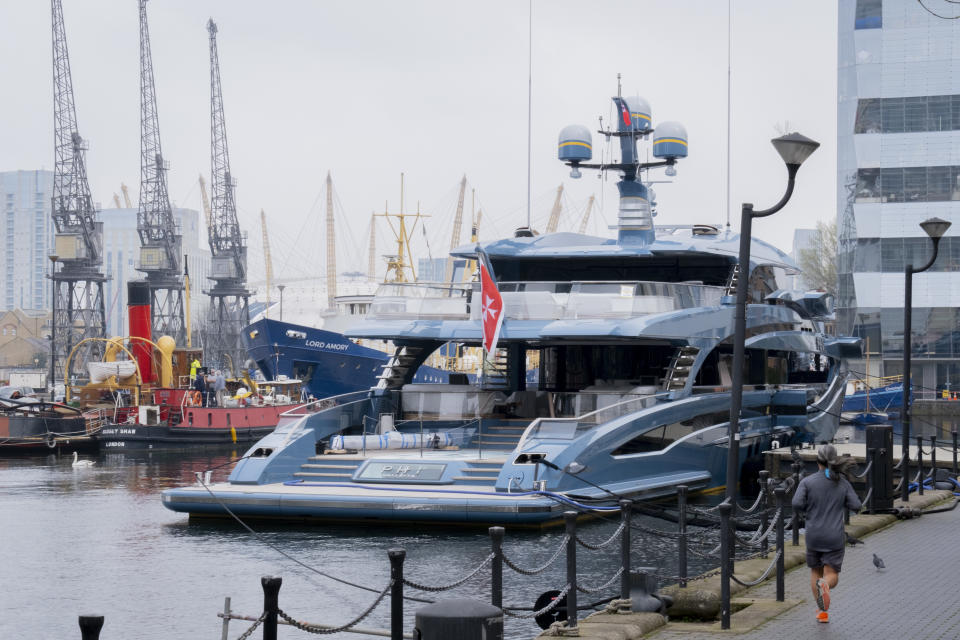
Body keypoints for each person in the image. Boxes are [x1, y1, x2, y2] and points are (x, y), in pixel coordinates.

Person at [791, 444, 861, 624]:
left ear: (817, 461)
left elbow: (797, 503)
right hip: (834, 536)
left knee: (816, 570)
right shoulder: (842, 482)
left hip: (814, 534)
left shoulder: (807, 482)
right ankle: (826, 585)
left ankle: (822, 612)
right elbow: (857, 506)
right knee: (831, 574)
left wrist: (810, 510)